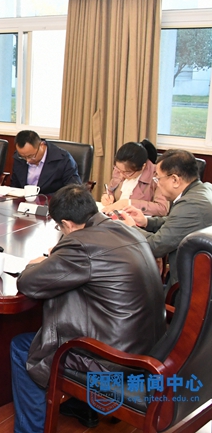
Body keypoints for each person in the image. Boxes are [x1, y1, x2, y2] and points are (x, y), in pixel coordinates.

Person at [11, 184, 165, 433]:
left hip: (116, 360)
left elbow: (29, 284)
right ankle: (82, 406)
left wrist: (37, 263)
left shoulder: (81, 245)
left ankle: (31, 430)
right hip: (152, 348)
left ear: (67, 224)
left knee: (22, 347)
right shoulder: (126, 230)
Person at [121, 149, 212, 288]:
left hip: (186, 288)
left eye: (158, 178)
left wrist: (131, 228)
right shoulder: (203, 189)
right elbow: (175, 221)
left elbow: (154, 247)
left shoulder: (191, 205)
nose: (157, 184)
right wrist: (146, 221)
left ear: (175, 180)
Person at [101, 140, 168, 216]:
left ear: (143, 167)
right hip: (116, 217)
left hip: (139, 221)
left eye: (127, 172)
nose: (121, 175)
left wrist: (128, 203)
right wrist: (107, 197)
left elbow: (162, 208)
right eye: (118, 170)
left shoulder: (157, 175)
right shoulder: (120, 170)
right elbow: (110, 190)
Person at [10, 130, 81, 195]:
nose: (28, 161)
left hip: (51, 201)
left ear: (42, 145)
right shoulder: (19, 158)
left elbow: (74, 190)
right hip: (23, 201)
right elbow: (15, 187)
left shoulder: (63, 159)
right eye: (23, 157)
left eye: (31, 156)